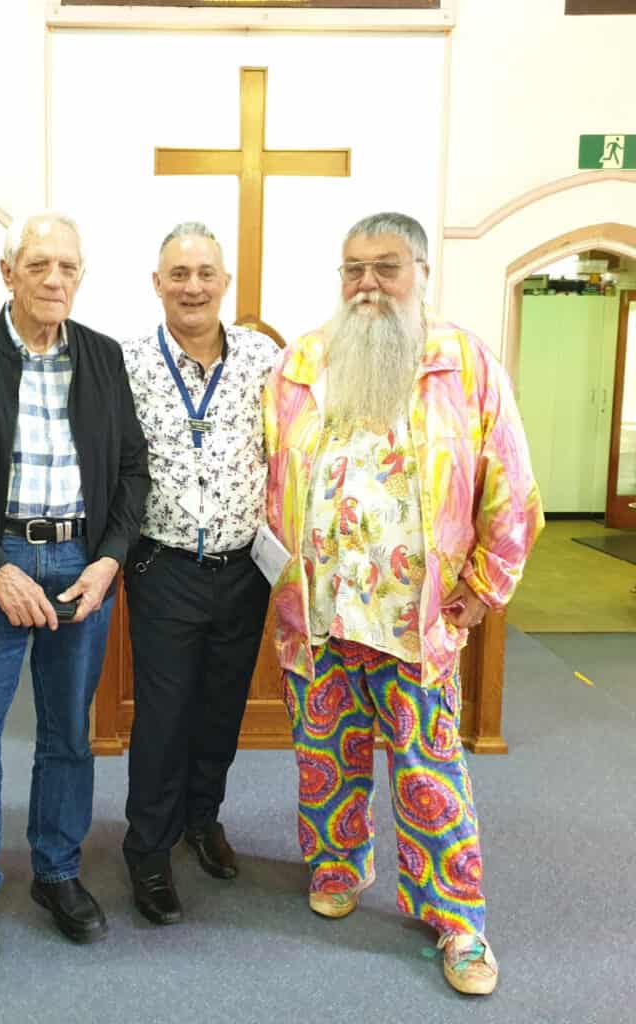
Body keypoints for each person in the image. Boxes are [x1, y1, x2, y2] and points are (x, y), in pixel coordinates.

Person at [263, 212, 544, 995]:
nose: (367, 286)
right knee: (326, 760)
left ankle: (457, 920)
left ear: (421, 270)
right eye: (353, 269)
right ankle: (337, 863)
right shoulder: (300, 365)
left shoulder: (465, 364)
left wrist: (486, 588)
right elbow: (268, 473)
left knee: (430, 773)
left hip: (417, 624)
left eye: (386, 267)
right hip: (318, 618)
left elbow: (512, 488)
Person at [0, 211, 149, 974]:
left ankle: (56, 872)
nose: (54, 280)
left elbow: (133, 474)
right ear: (8, 270)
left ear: (81, 276)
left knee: (68, 735)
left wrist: (110, 559)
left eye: (68, 268)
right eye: (39, 265)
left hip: (83, 568)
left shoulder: (105, 359)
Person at [119, 223, 279, 924]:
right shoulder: (126, 363)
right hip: (164, 567)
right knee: (163, 715)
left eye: (205, 273)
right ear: (157, 283)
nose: (192, 286)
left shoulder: (264, 359)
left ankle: (202, 818)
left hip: (244, 569)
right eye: (178, 274)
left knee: (221, 707)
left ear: (225, 282)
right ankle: (147, 849)